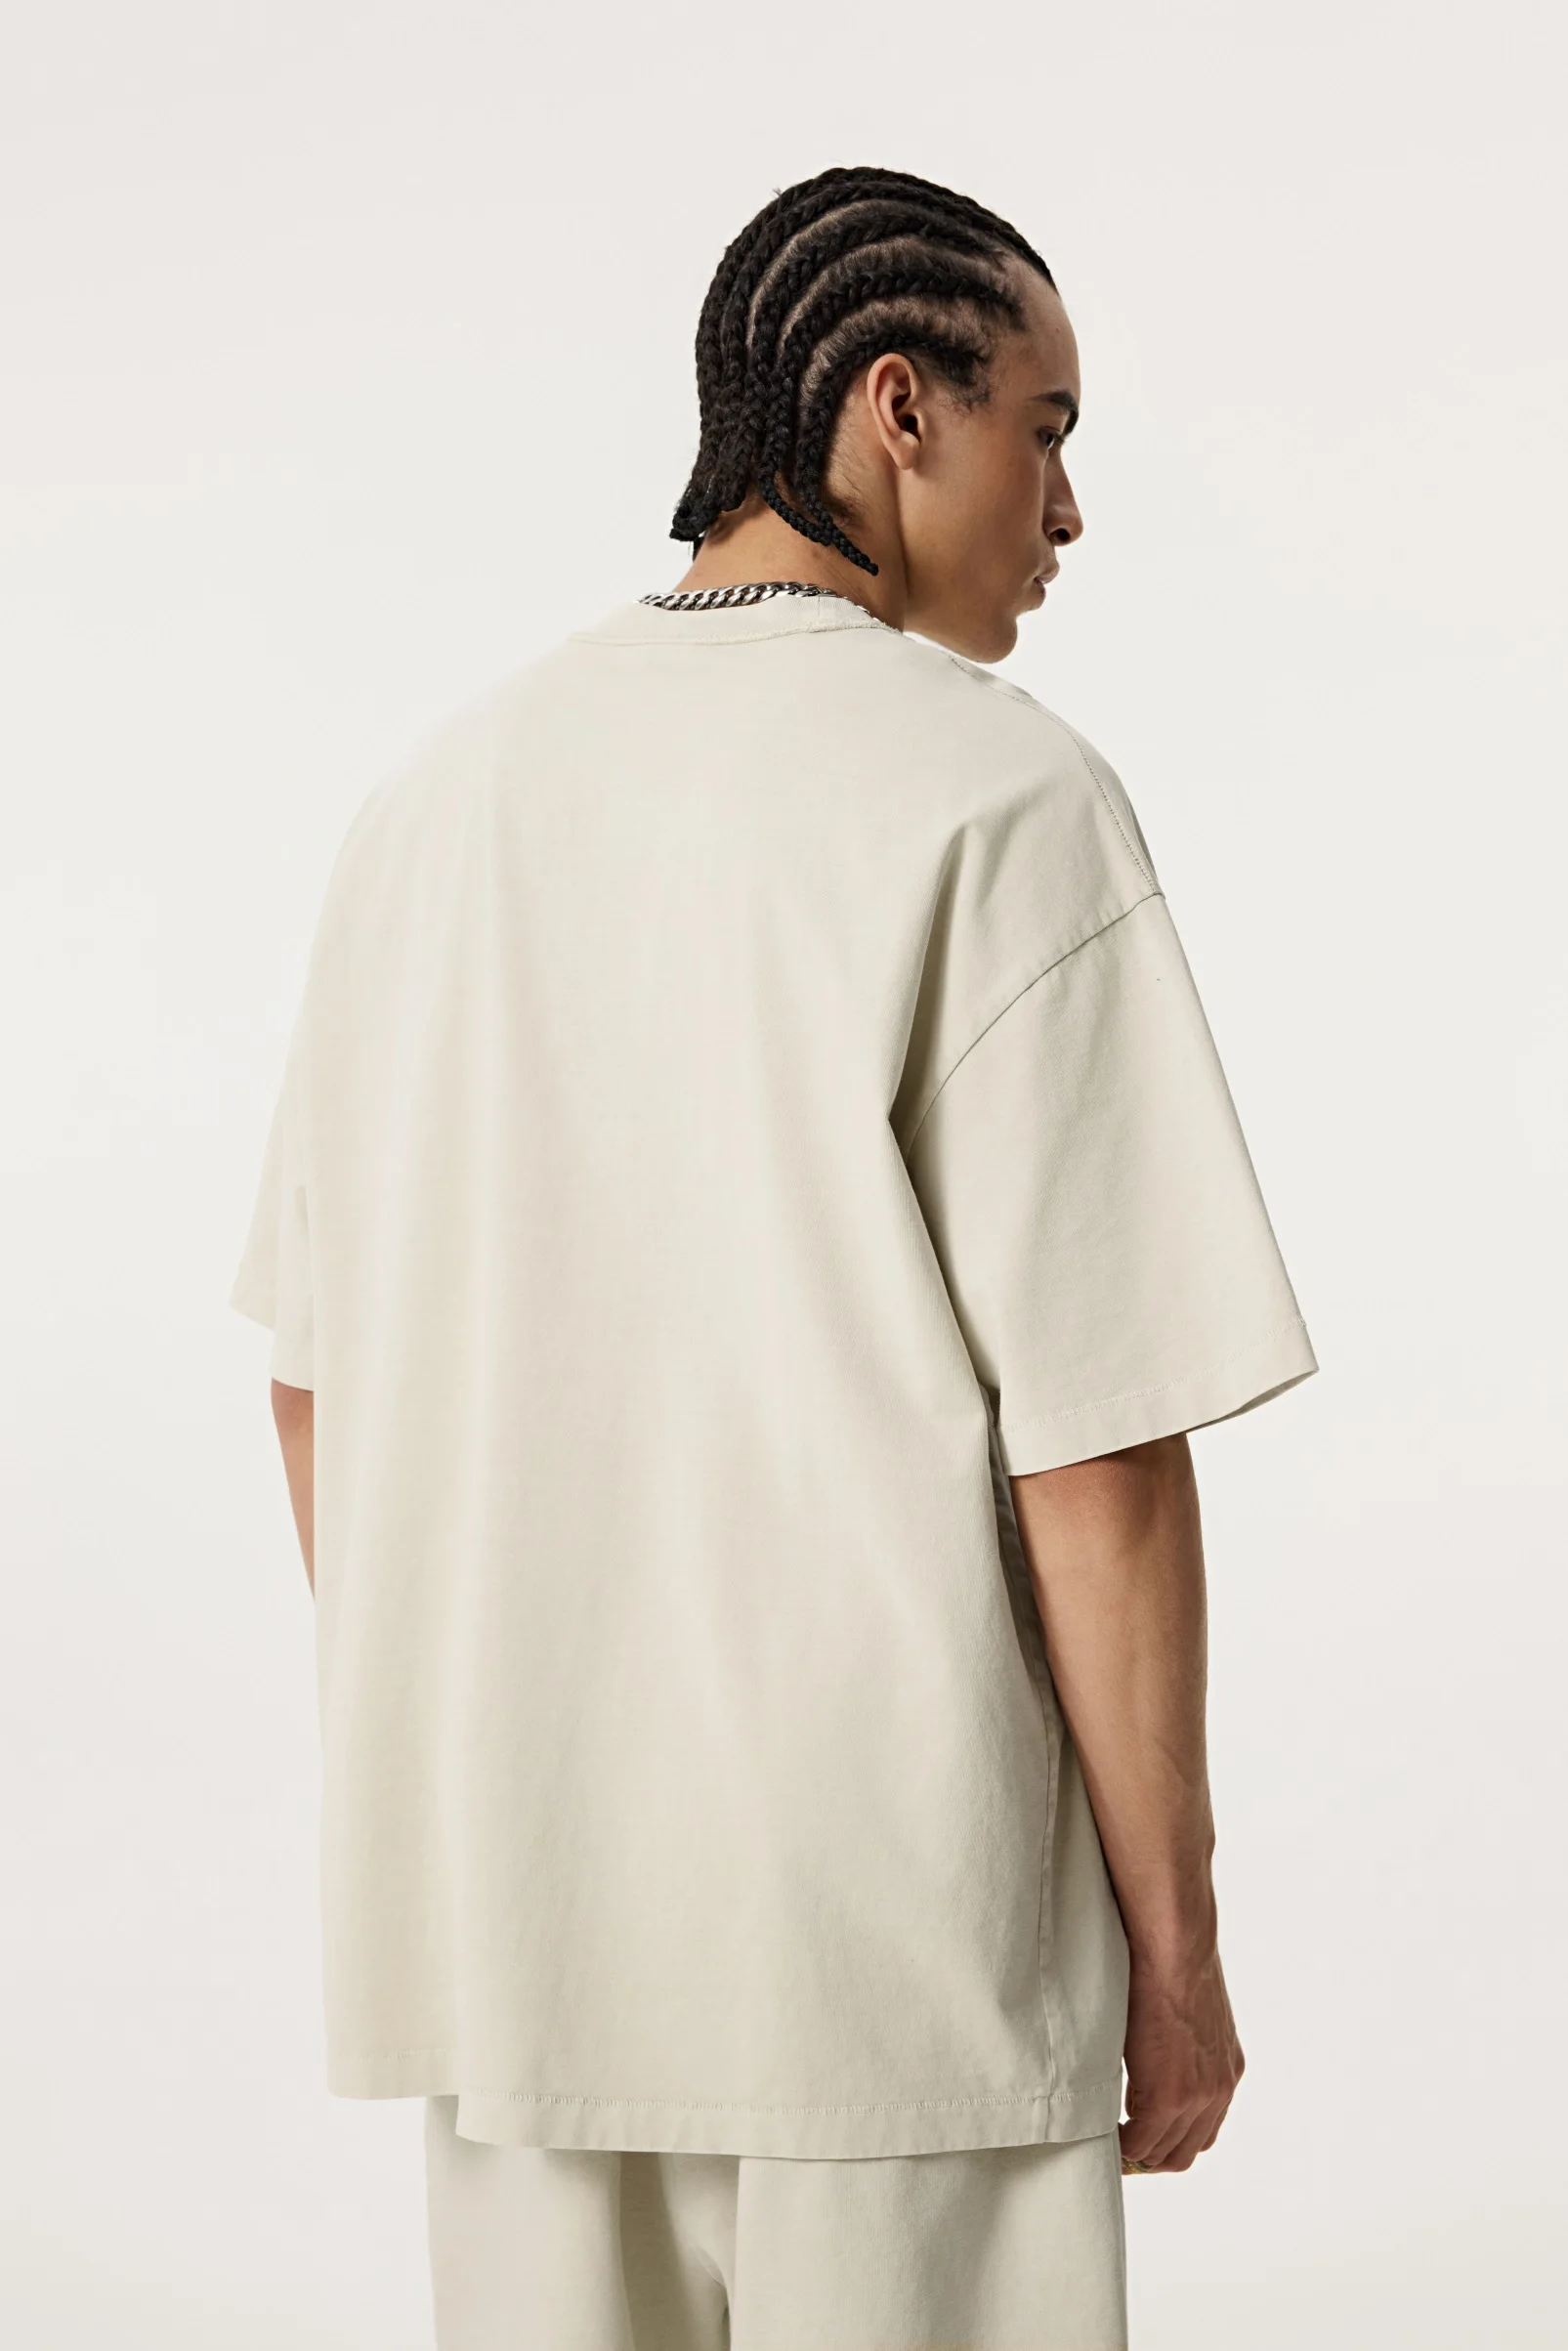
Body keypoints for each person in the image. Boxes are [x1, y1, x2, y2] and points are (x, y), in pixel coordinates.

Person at [233, 164, 1317, 2350]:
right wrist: (1178, 1953)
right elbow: (1097, 1454)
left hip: (521, 1951)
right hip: (888, 1948)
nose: (1069, 510)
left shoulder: (435, 806)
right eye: (1047, 428)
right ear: (899, 407)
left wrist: (495, 1745)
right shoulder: (998, 802)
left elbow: (319, 1378)